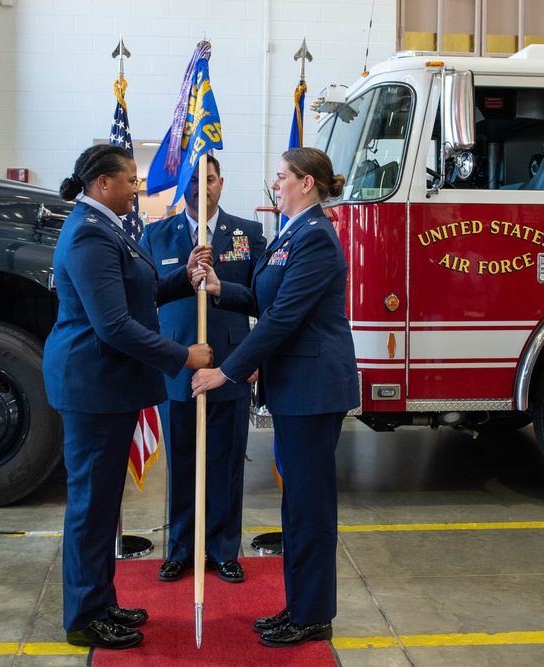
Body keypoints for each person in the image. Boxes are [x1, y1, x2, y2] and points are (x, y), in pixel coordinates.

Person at [44, 144, 213, 651]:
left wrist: (182, 278)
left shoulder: (107, 228)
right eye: (130, 180)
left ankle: (101, 599)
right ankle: (84, 617)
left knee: (101, 506)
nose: (136, 188)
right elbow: (113, 324)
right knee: (91, 506)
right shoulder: (89, 236)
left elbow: (136, 294)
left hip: (107, 385)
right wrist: (184, 357)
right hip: (93, 384)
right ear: (102, 184)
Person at [190, 147, 358, 648]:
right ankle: (299, 606)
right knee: (297, 505)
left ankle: (312, 615)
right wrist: (223, 288)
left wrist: (228, 372)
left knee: (309, 507)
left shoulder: (317, 239)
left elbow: (284, 318)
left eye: (282, 177)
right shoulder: (292, 233)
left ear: (307, 183)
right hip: (293, 391)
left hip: (312, 390)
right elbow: (267, 300)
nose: (275, 183)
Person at [140, 154, 266, 585]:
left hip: (230, 366)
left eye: (208, 179)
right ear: (183, 185)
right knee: (181, 464)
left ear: (221, 183)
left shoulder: (247, 234)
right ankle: (180, 548)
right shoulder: (157, 234)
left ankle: (223, 549)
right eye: (193, 180)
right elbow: (144, 296)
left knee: (226, 463)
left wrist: (250, 359)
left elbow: (260, 300)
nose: (201, 187)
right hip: (176, 367)